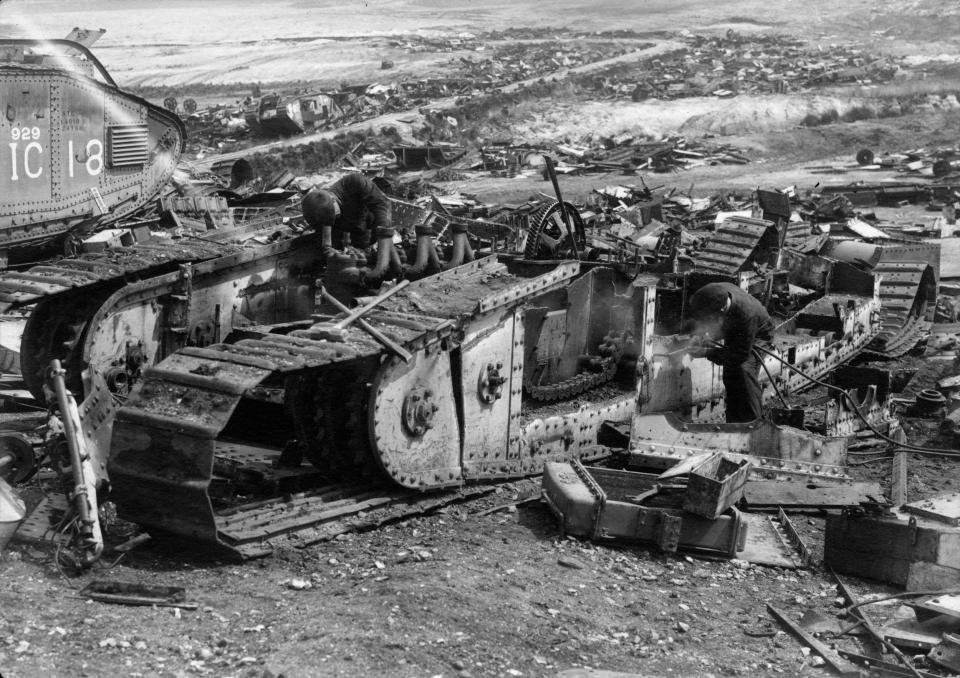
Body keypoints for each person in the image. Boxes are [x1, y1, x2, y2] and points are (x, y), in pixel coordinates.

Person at [685, 281, 775, 423]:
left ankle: (753, 421)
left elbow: (740, 354)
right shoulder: (715, 294)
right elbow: (706, 321)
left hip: (759, 333)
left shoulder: (746, 314)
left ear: (720, 312)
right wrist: (700, 335)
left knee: (743, 370)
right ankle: (733, 421)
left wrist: (706, 353)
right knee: (730, 374)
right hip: (735, 327)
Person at [301, 172, 393, 253]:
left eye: (336, 215)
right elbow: (325, 240)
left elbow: (381, 205)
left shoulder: (355, 182)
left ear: (333, 198)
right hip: (349, 240)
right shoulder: (318, 210)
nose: (337, 217)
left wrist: (381, 237)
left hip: (370, 230)